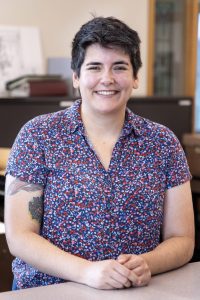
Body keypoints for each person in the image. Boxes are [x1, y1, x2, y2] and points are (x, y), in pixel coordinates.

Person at [5, 16, 194, 290]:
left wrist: (149, 263)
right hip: (48, 291)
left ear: (135, 77)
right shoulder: (38, 136)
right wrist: (87, 272)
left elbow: (183, 240)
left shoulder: (162, 143)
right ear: (76, 76)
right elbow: (20, 237)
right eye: (94, 67)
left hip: (136, 292)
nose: (107, 79)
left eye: (119, 67)